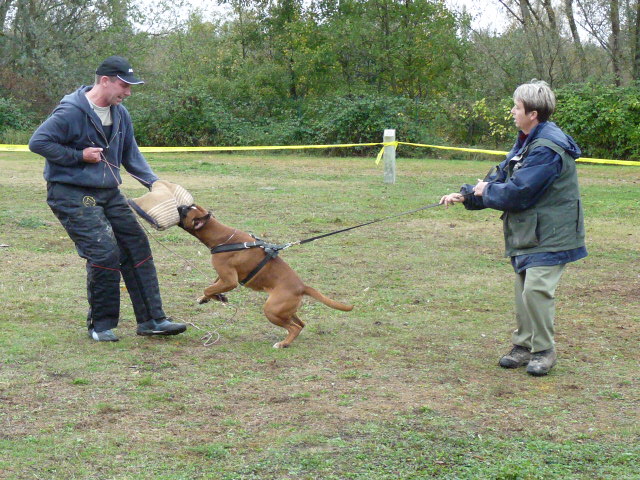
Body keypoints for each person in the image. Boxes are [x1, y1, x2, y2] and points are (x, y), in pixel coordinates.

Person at [29, 55, 187, 342]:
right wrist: (78, 156)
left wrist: (156, 183)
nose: (127, 93)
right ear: (105, 81)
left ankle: (152, 320)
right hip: (72, 193)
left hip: (109, 191)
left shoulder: (120, 114)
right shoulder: (71, 112)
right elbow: (38, 142)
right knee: (104, 253)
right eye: (124, 86)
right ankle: (101, 326)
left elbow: (131, 156)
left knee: (136, 244)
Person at [440, 80, 587, 376]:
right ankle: (523, 346)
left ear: (532, 113)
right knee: (523, 289)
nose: (512, 111)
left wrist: (483, 192)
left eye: (517, 107)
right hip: (528, 231)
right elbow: (503, 179)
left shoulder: (546, 147)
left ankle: (544, 350)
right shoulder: (526, 140)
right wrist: (469, 194)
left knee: (536, 289)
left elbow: (520, 192)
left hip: (552, 233)